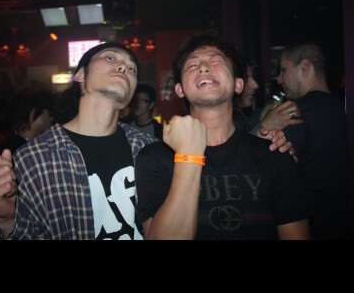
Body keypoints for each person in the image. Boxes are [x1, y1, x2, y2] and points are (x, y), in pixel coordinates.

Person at [135, 33, 310, 240]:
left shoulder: (274, 153)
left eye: (216, 61)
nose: (203, 68)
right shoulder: (154, 157)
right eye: (192, 65)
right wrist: (188, 156)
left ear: (238, 84)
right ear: (180, 89)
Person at [0, 43, 156, 240]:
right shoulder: (33, 159)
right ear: (80, 75)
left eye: (132, 69)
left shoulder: (149, 149)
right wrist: (7, 222)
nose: (124, 67)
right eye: (110, 58)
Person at [277, 41, 350, 240]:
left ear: (305, 67)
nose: (279, 78)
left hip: (309, 227)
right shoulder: (340, 108)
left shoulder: (296, 111)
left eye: (283, 70)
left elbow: (275, 174)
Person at [234, 60, 303, 135]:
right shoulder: (228, 121)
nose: (255, 85)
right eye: (247, 78)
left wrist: (274, 112)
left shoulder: (240, 116)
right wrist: (266, 125)